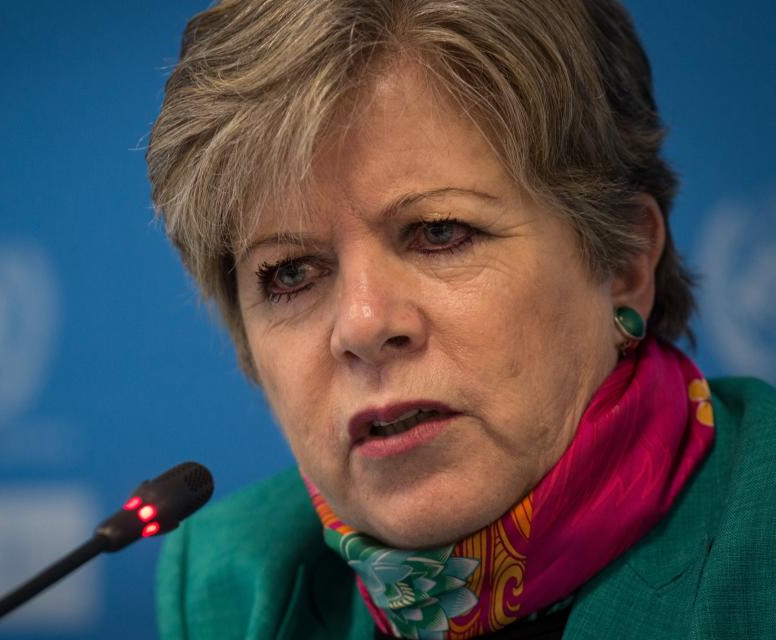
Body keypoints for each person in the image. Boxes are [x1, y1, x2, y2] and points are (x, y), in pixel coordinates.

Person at [146, 1, 776, 638]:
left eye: (439, 233)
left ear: (625, 263)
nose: (362, 325)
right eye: (289, 272)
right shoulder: (233, 587)